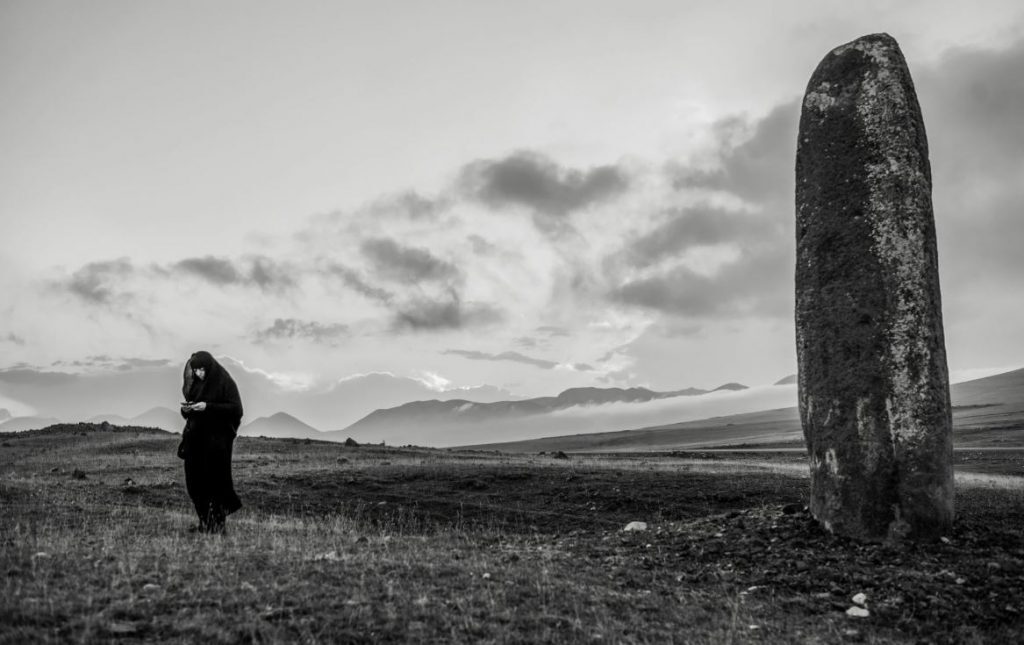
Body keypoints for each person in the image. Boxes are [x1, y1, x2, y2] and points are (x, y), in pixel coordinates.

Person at [179, 351, 243, 534]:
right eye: (195, 370)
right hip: (195, 442)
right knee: (194, 484)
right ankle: (205, 523)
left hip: (216, 445)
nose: (198, 373)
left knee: (215, 486)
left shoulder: (225, 383)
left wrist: (208, 406)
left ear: (209, 367)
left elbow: (236, 409)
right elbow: (189, 414)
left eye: (201, 369)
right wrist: (187, 409)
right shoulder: (196, 385)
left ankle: (218, 526)